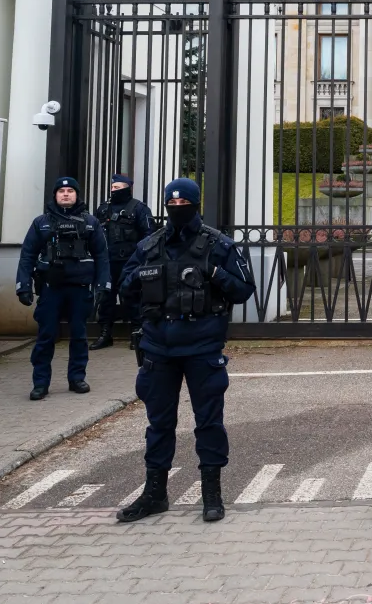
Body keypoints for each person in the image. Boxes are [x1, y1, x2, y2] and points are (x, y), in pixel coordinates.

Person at [115, 178, 256, 523]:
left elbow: (243, 290)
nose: (178, 210)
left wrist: (214, 273)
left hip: (202, 347)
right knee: (158, 424)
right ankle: (155, 494)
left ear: (195, 205)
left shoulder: (218, 244)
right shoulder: (150, 245)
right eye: (172, 205)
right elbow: (125, 289)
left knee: (208, 422)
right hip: (158, 348)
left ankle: (212, 494)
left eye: (184, 205)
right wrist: (145, 276)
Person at [15, 176, 109, 400]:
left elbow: (102, 256)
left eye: (70, 191)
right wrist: (23, 285)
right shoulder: (41, 223)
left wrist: (103, 286)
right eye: (61, 191)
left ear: (77, 195)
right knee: (46, 336)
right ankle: (40, 383)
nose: (66, 194)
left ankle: (77, 378)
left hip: (80, 288)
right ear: (55, 195)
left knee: (79, 336)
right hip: (51, 288)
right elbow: (27, 255)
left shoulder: (90, 222)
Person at [90, 174, 153, 350]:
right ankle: (105, 334)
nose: (114, 190)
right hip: (107, 262)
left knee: (132, 297)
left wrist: (140, 256)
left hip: (129, 262)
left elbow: (149, 234)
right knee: (105, 299)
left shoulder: (139, 208)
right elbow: (94, 234)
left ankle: (136, 333)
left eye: (118, 187)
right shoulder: (103, 209)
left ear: (128, 188)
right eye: (112, 187)